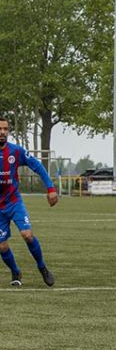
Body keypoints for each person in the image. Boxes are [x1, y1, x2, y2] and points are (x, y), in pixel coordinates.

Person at [0, 117, 57, 287]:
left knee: (27, 235)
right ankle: (15, 271)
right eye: (0, 129)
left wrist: (50, 188)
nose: (2, 132)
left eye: (5, 129)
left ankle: (42, 268)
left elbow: (37, 166)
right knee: (2, 246)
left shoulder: (16, 151)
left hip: (13, 202)